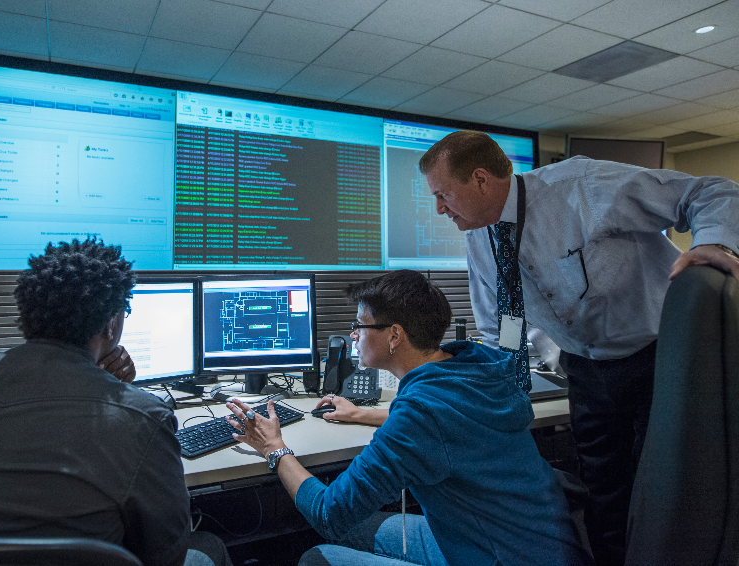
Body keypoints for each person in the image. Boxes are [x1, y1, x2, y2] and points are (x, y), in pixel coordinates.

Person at [418, 130, 739, 565]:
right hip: (586, 371)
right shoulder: (481, 235)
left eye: (443, 195)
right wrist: (496, 384)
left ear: (480, 180)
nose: (439, 209)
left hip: (657, 360)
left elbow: (710, 192)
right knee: (604, 493)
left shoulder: (581, 186)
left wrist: (712, 244)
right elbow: (502, 321)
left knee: (660, 495)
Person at [0, 239, 230, 566]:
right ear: (112, 322)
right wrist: (120, 396)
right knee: (206, 549)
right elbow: (165, 554)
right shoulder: (142, 418)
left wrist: (110, 385)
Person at [224, 270, 591, 566]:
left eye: (359, 326)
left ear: (394, 335)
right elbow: (451, 426)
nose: (352, 335)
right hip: (540, 541)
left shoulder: (421, 414)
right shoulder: (476, 366)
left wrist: (274, 448)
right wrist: (364, 414)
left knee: (315, 554)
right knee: (360, 528)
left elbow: (329, 513)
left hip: (495, 555)